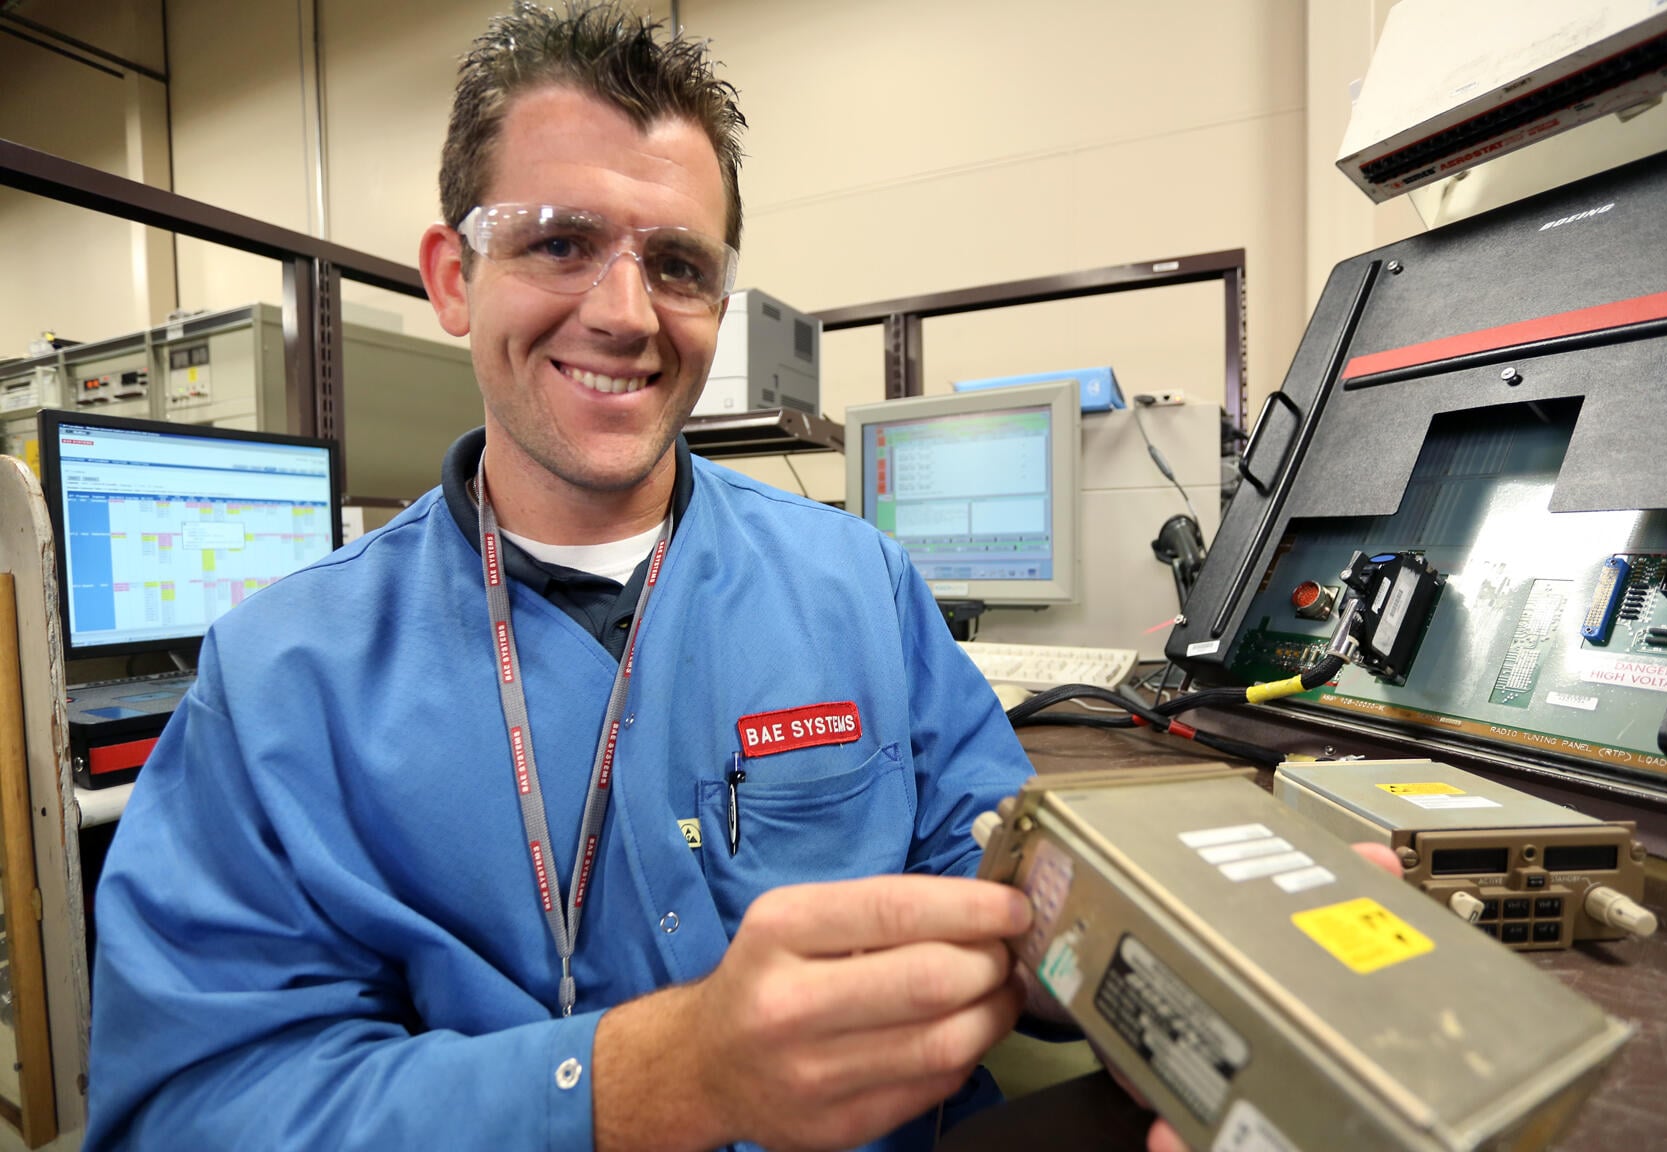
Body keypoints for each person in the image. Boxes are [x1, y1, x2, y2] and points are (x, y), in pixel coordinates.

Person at [85, 4, 1041, 1150]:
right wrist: (658, 1078)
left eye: (677, 265)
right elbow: (190, 1110)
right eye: (558, 244)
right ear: (454, 278)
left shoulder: (861, 586)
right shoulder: (283, 679)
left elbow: (997, 867)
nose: (625, 315)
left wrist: (1128, 949)